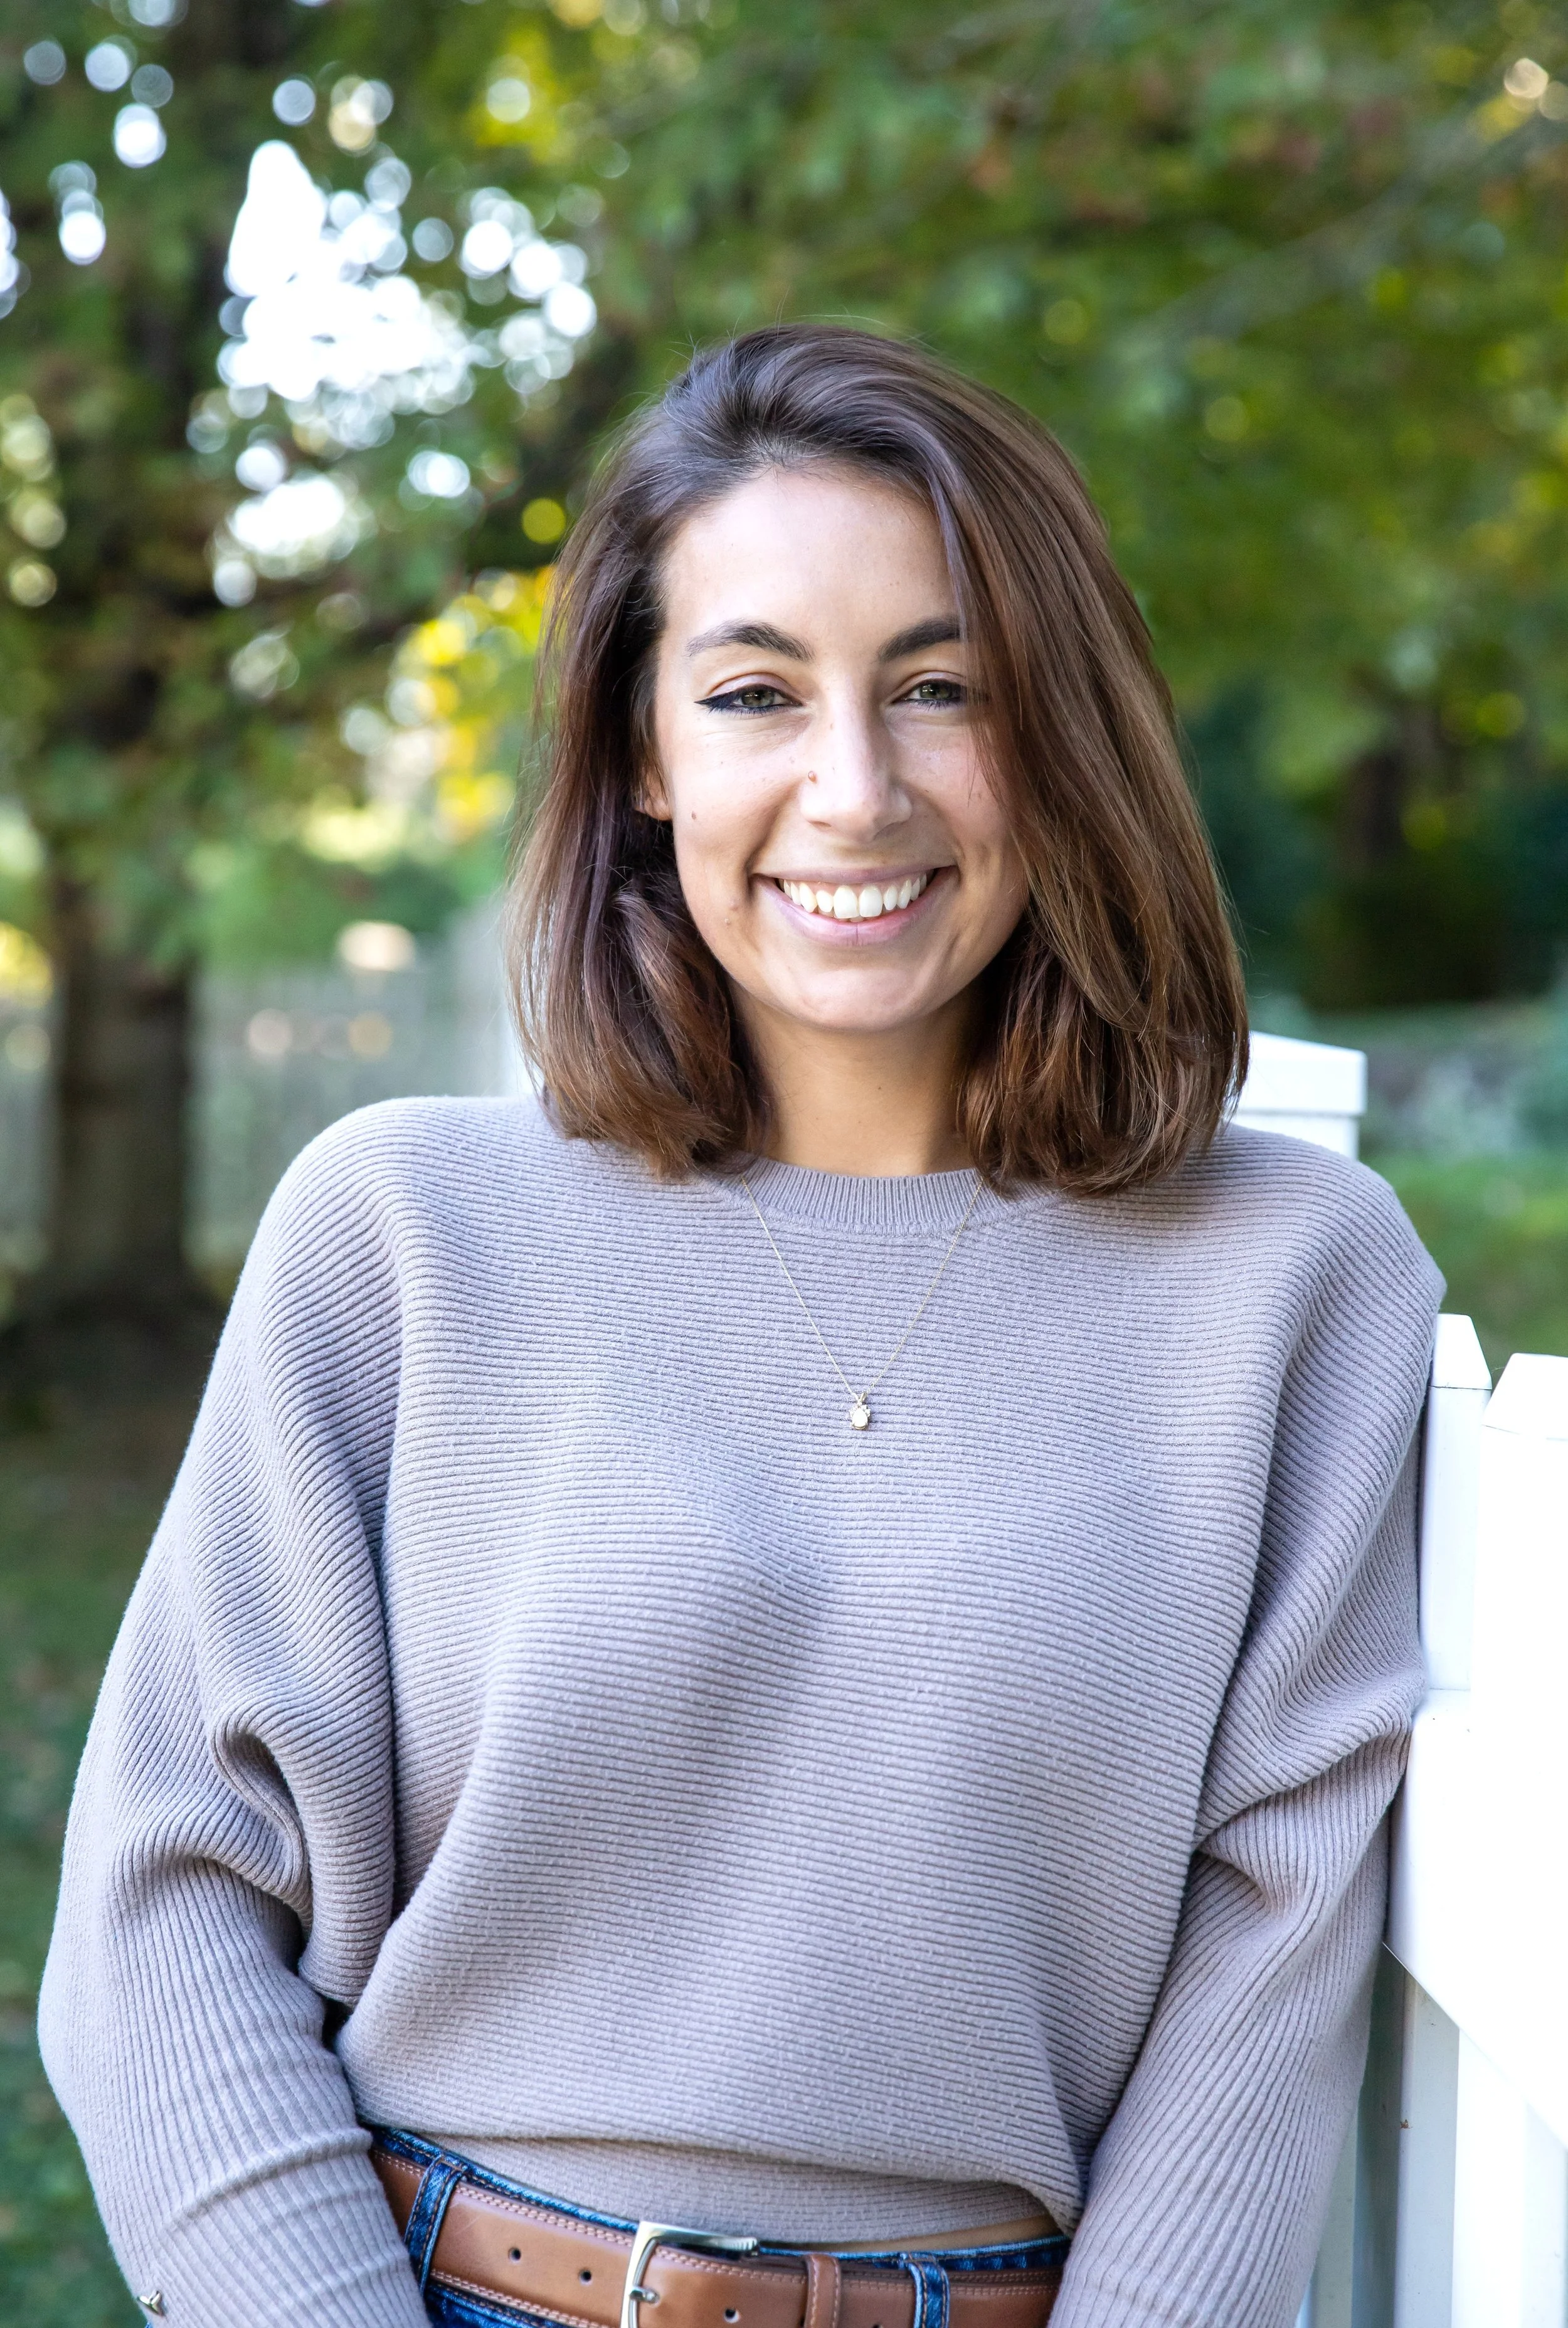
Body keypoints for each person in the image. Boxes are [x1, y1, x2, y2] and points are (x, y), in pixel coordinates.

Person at [40, 325, 1441, 2328]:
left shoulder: (1290, 1278)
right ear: (642, 746)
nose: (851, 791)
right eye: (754, 692)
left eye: (940, 688)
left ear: (1060, 727)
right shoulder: (408, 1225)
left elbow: (1269, 1952)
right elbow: (165, 1898)